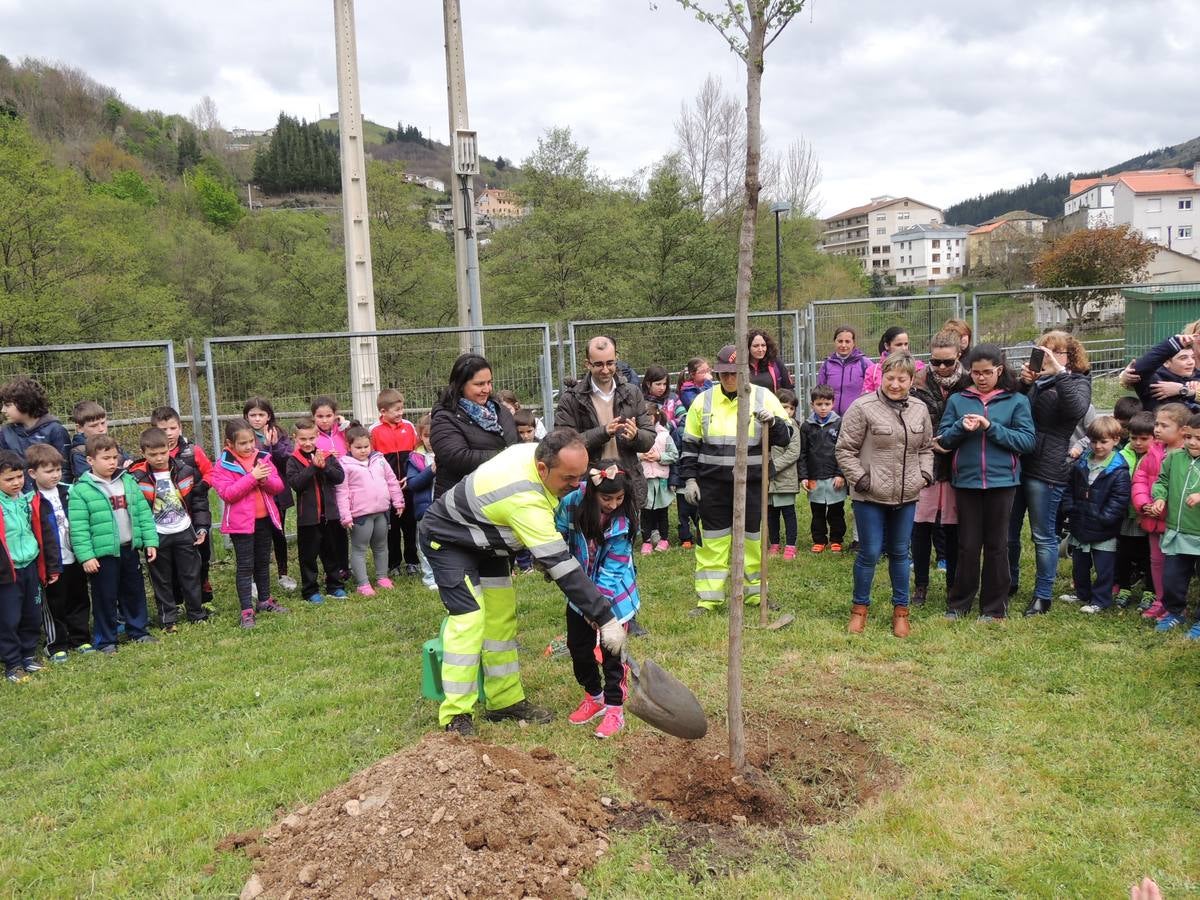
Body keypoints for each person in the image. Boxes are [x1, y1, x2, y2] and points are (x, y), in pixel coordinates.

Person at [419, 432, 627, 736]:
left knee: (500, 619)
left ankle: (504, 700)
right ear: (542, 469)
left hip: (488, 540)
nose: (576, 485)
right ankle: (456, 713)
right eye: (569, 478)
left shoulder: (542, 453)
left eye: (580, 475)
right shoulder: (524, 497)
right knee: (469, 621)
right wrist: (605, 617)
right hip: (449, 540)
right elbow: (563, 567)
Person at [680, 344, 789, 616]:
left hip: (752, 483)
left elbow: (786, 438)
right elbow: (690, 446)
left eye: (735, 373)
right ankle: (708, 600)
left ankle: (756, 595)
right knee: (713, 543)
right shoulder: (702, 402)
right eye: (725, 374)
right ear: (717, 374)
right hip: (712, 485)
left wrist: (773, 423)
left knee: (753, 541)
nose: (730, 379)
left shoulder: (764, 397)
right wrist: (689, 480)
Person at [836, 353, 933, 637]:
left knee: (901, 553)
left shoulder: (919, 408)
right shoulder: (862, 407)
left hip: (906, 495)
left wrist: (924, 475)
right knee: (869, 552)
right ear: (881, 377)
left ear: (911, 381)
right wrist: (861, 479)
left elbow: (926, 447)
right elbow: (844, 449)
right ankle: (859, 609)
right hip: (870, 495)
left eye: (902, 379)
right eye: (890, 378)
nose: (895, 384)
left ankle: (901, 611)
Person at [938, 345, 1035, 621]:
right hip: (966, 482)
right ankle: (959, 604)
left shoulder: (1016, 401)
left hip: (1002, 482)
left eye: (987, 373)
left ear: (999, 370)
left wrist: (991, 428)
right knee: (967, 545)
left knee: (997, 545)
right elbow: (943, 439)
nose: (981, 378)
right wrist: (960, 428)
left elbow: (1027, 441)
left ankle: (994, 607)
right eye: (976, 373)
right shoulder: (958, 400)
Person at [555, 461, 641, 740]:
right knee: (578, 649)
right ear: (592, 494)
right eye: (607, 498)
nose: (614, 504)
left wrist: (599, 609)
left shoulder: (622, 521)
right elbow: (557, 534)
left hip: (614, 597)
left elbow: (613, 570)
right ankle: (595, 696)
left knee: (612, 654)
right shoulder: (572, 503)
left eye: (619, 498)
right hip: (579, 593)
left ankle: (615, 707)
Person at [1009, 330, 1092, 617]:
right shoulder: (1035, 382)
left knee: (1043, 535)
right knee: (1009, 532)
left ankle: (1043, 595)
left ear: (1070, 356)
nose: (1048, 356)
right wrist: (1023, 384)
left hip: (1048, 467)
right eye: (1044, 350)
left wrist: (1059, 374)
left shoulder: (1078, 381)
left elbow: (1076, 409)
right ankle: (1010, 582)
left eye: (1056, 352)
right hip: (1018, 462)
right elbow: (1013, 411)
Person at [67, 435, 158, 653]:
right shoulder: (81, 490)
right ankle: (106, 640)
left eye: (115, 457)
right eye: (105, 458)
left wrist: (150, 541)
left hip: (129, 549)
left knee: (134, 592)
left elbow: (143, 514)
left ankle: (138, 630)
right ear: (90, 460)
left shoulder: (128, 481)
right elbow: (78, 528)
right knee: (105, 597)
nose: (112, 462)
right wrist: (86, 556)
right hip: (103, 555)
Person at [554, 336, 655, 511]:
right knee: (590, 536)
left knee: (625, 536)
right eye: (599, 364)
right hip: (589, 484)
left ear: (617, 358)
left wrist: (636, 436)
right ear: (587, 364)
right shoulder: (570, 399)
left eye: (610, 363)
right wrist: (602, 433)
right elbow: (564, 444)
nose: (606, 370)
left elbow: (649, 438)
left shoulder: (633, 393)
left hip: (626, 482)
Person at [909, 331, 971, 605]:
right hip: (925, 464)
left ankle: (953, 584)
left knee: (954, 529)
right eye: (935, 362)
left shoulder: (970, 383)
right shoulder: (918, 383)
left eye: (947, 362)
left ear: (958, 355)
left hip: (959, 464)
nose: (941, 368)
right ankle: (920, 585)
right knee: (920, 527)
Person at [210, 419, 289, 629]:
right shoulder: (222, 465)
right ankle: (246, 610)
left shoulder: (262, 457)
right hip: (241, 525)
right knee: (245, 567)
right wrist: (253, 477)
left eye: (251, 441)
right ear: (229, 443)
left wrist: (264, 480)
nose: (249, 447)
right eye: (243, 443)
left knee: (263, 562)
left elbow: (278, 486)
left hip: (264, 521)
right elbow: (228, 494)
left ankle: (264, 600)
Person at [129, 427, 210, 630]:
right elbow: (136, 512)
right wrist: (145, 539)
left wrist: (201, 527)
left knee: (191, 574)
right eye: (153, 454)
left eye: (162, 452)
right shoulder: (137, 477)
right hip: (156, 534)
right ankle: (168, 619)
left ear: (169, 449)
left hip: (184, 529)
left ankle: (196, 613)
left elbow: (199, 501)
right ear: (143, 453)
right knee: (161, 578)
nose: (159, 458)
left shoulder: (186, 470)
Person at [26, 444, 92, 660]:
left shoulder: (69, 491)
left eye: (57, 470)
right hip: (52, 563)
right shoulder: (30, 500)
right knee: (55, 604)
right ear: (33, 473)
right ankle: (56, 645)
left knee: (79, 598)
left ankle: (81, 639)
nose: (55, 475)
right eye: (48, 471)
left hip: (75, 558)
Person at [0, 449, 61, 682]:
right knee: (9, 618)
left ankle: (27, 656)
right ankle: (12, 664)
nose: (16, 483)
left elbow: (45, 534)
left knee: (32, 615)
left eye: (19, 477)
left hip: (31, 567)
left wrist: (51, 565)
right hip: (8, 573)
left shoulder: (30, 499)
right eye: (9, 479)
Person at [1062, 416, 1131, 614]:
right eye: (1093, 441)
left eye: (1103, 441)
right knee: (1080, 564)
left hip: (1103, 529)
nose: (1098, 446)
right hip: (1081, 521)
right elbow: (1069, 487)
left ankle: (1101, 599)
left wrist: (1104, 518)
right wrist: (1070, 507)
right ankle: (1082, 593)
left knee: (1104, 566)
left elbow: (1119, 499)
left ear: (1116, 440)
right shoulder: (1082, 463)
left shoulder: (1119, 469)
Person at [150, 406, 215, 604]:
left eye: (172, 428)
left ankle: (203, 589)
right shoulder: (153, 455)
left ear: (180, 427)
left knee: (201, 554)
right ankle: (176, 599)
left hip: (194, 511)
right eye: (163, 429)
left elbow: (211, 472)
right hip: (166, 518)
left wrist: (200, 488)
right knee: (171, 561)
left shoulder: (192, 451)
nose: (169, 433)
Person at [430, 353, 517, 498]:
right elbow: (457, 457)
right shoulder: (445, 417)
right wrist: (505, 456)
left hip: (500, 497)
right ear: (461, 384)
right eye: (479, 384)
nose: (487, 389)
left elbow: (517, 443)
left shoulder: (500, 411)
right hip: (461, 502)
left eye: (489, 382)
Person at [1132, 403, 1190, 621]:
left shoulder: (1189, 453)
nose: (1157, 429)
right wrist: (1144, 504)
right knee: (1156, 561)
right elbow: (1140, 479)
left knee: (1176, 566)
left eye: (1164, 425)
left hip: (1176, 521)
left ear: (1183, 429)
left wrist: (1163, 508)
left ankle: (1175, 604)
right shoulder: (1154, 450)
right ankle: (1160, 599)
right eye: (1156, 424)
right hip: (1152, 518)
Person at [336, 425, 406, 597]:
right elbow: (341, 492)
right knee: (359, 548)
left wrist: (398, 501)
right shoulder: (344, 465)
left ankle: (382, 577)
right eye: (358, 448)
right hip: (360, 516)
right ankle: (363, 583)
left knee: (381, 546)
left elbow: (391, 481)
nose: (363, 451)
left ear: (371, 445)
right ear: (348, 447)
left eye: (366, 446)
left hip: (382, 512)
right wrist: (345, 516)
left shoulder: (380, 460)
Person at [1149, 412, 1200, 635]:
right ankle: (1174, 612)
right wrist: (1160, 497)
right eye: (1189, 437)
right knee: (1172, 578)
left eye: (1199, 438)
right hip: (1177, 532)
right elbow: (1162, 481)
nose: (1193, 443)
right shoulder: (1175, 458)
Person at [287, 417, 347, 605]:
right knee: (308, 556)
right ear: (295, 438)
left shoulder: (328, 456)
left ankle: (335, 586)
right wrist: (313, 467)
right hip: (308, 518)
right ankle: (310, 590)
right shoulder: (292, 461)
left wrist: (325, 467)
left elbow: (339, 477)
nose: (307, 443)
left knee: (332, 553)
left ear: (316, 437)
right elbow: (296, 484)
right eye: (302, 439)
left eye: (311, 439)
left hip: (330, 516)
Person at [244, 397, 297, 593]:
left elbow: (286, 463)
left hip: (277, 494)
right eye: (253, 415)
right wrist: (265, 447)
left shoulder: (279, 433)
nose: (257, 419)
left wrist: (273, 446)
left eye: (261, 415)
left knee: (278, 534)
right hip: (255, 497)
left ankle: (283, 573)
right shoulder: (245, 436)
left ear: (269, 416)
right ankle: (255, 579)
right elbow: (254, 463)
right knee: (257, 538)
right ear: (246, 417)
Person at [370, 388, 421, 577]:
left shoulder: (408, 427)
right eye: (396, 410)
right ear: (383, 412)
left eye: (402, 409)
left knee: (410, 525)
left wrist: (412, 476)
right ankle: (393, 564)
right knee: (391, 527)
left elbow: (416, 455)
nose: (400, 413)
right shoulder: (374, 431)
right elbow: (373, 459)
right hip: (387, 488)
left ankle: (412, 561)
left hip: (408, 485)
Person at [1112, 410, 1155, 609]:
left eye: (1144, 438)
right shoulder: (1122, 455)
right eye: (1133, 438)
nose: (1138, 443)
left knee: (1149, 555)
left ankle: (1150, 591)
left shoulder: (1157, 457)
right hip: (1125, 515)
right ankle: (1124, 586)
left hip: (1148, 516)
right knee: (1124, 553)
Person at [798, 385, 847, 553]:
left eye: (827, 403)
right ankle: (819, 539)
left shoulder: (840, 423)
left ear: (833, 403)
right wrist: (803, 476)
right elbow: (803, 453)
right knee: (817, 512)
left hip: (834, 477)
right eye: (819, 404)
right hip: (814, 477)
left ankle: (836, 539)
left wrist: (841, 474)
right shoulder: (806, 426)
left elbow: (844, 450)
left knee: (836, 512)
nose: (823, 408)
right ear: (812, 405)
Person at [0, 377, 70, 482]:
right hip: (17, 496)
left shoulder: (55, 430)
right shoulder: (5, 432)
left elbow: (65, 469)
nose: (3, 410)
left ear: (24, 403)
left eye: (8, 405)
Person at [766, 388, 803, 559]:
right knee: (771, 514)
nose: (788, 411)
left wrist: (774, 467)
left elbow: (793, 452)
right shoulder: (767, 424)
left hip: (785, 478)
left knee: (788, 513)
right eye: (784, 407)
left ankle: (790, 546)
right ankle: (774, 544)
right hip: (767, 480)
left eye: (791, 408)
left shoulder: (792, 426)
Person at [638, 401, 678, 554]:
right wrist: (641, 456)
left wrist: (658, 456)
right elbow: (630, 455)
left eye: (648, 417)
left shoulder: (665, 435)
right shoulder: (637, 435)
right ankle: (646, 541)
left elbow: (674, 455)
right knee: (646, 513)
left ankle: (664, 539)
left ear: (655, 416)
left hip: (661, 481)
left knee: (662, 512)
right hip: (645, 480)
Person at [1129, 333, 1200, 412]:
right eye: (1183, 358)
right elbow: (1139, 369)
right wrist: (1174, 343)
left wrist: (1184, 390)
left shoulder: (1195, 380)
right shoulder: (1155, 381)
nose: (1191, 362)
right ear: (1166, 363)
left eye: (1193, 357)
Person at [406, 415, 437, 590]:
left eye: (435, 435)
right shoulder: (415, 457)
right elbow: (413, 484)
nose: (431, 440)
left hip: (448, 507)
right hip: (425, 509)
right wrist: (430, 471)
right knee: (426, 544)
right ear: (420, 436)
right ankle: (430, 577)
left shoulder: (451, 452)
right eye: (426, 436)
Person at [68, 401, 130, 481]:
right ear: (80, 428)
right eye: (94, 426)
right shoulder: (79, 452)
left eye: (103, 423)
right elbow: (89, 479)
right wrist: (122, 470)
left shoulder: (110, 442)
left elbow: (128, 460)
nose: (101, 429)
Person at [817, 325, 871, 417]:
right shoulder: (826, 365)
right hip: (831, 418)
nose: (843, 345)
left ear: (853, 343)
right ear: (834, 342)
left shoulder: (865, 363)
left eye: (847, 341)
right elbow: (820, 392)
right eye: (840, 341)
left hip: (857, 417)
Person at [861, 327, 926, 395]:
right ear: (886, 346)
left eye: (906, 344)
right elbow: (867, 397)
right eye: (899, 345)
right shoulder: (873, 371)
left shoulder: (918, 367)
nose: (904, 348)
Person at [747, 329, 794, 394]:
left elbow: (789, 390)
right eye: (756, 346)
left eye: (763, 345)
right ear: (748, 348)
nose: (760, 349)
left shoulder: (776, 363)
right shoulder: (739, 366)